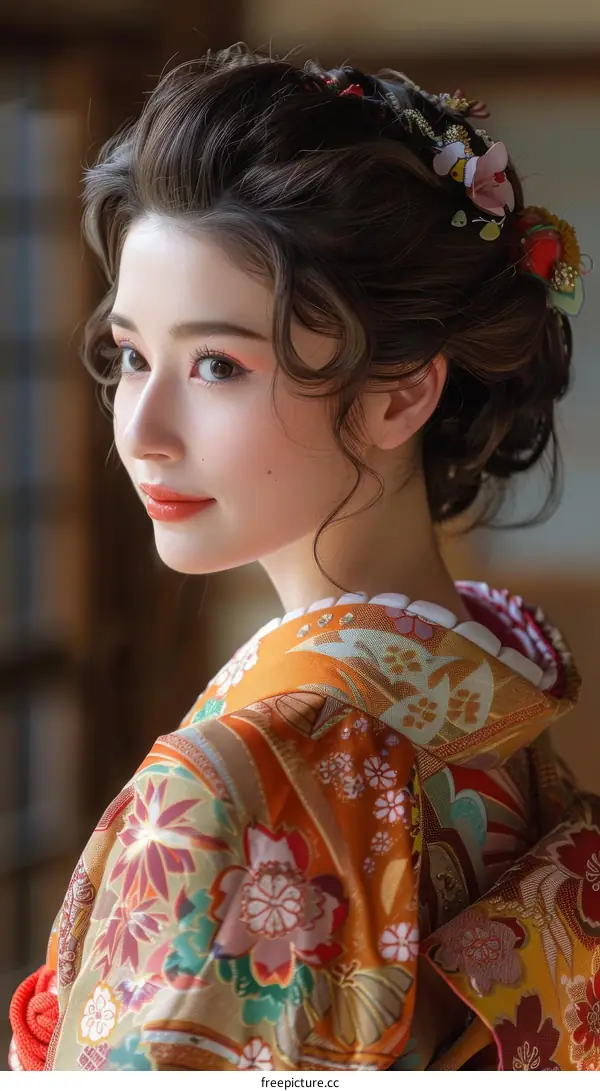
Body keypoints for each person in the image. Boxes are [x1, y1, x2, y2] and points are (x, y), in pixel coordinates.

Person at [8, 45, 600, 1072]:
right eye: (133, 354)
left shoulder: (236, 784)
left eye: (219, 365)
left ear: (399, 393)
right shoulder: (501, 702)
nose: (141, 427)